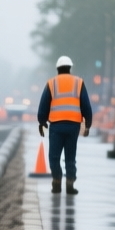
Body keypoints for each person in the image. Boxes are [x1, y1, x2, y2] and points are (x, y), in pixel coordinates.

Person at [36, 56, 93, 194]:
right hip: (73, 126)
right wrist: (88, 124)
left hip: (56, 125)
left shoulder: (51, 83)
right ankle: (70, 184)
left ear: (57, 69)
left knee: (54, 156)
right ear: (70, 68)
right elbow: (86, 105)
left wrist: (42, 122)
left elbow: (44, 105)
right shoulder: (79, 83)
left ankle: (56, 182)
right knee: (70, 157)